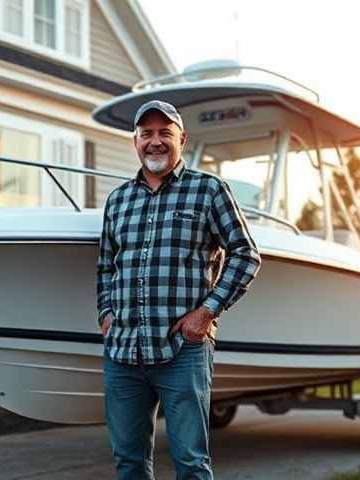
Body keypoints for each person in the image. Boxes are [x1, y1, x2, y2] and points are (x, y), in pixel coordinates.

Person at [96, 99, 261, 479]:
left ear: (181, 139)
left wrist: (206, 313)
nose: (155, 142)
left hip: (182, 353)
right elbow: (105, 265)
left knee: (190, 463)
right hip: (123, 353)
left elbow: (246, 254)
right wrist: (106, 315)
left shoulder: (209, 191)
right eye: (147, 134)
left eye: (164, 133)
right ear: (135, 141)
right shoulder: (118, 200)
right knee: (128, 462)